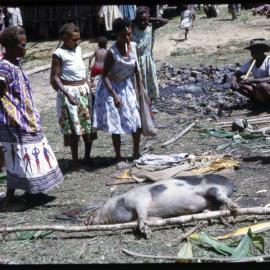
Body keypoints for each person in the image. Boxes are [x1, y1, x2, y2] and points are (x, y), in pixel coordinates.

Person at [0, 26, 63, 211]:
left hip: (25, 118)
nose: (25, 49)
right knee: (17, 157)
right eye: (22, 45)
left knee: (28, 154)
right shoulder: (4, 66)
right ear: (10, 46)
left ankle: (31, 192)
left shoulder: (16, 63)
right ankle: (9, 201)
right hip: (14, 121)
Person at [93, 17, 141, 161]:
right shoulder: (111, 53)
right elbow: (104, 75)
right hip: (111, 88)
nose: (126, 38)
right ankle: (118, 155)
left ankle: (136, 153)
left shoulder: (134, 47)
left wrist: (141, 91)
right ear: (116, 35)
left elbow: (136, 70)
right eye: (123, 35)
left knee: (136, 120)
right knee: (116, 122)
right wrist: (114, 96)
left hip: (127, 86)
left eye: (129, 34)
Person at [50, 23, 96, 168]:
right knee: (73, 128)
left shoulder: (78, 49)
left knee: (88, 125)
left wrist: (88, 85)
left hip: (83, 90)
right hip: (69, 93)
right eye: (74, 39)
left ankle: (87, 157)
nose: (77, 42)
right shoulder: (58, 54)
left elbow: (81, 70)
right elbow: (55, 77)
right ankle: (75, 161)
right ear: (64, 38)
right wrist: (67, 94)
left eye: (78, 39)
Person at [132, 6, 168, 108]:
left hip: (147, 61)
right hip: (136, 61)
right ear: (136, 20)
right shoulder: (133, 28)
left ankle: (149, 105)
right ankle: (140, 105)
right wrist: (138, 19)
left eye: (145, 20)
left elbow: (166, 21)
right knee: (138, 85)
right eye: (140, 20)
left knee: (149, 82)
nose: (143, 22)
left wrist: (150, 19)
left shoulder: (151, 27)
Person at [230, 39, 270, 103]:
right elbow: (236, 74)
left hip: (266, 87)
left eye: (256, 52)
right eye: (252, 53)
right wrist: (233, 81)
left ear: (263, 51)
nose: (254, 55)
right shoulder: (251, 62)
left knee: (262, 85)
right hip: (259, 88)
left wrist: (254, 80)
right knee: (238, 84)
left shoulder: (268, 60)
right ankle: (258, 101)